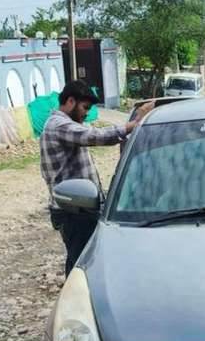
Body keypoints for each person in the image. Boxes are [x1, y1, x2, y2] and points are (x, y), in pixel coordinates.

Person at [40, 79, 153, 276]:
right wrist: (133, 125)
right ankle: (76, 295)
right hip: (74, 211)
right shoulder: (59, 126)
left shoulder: (65, 124)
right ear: (70, 101)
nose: (86, 113)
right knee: (82, 265)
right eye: (85, 107)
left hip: (80, 207)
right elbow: (96, 136)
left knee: (86, 261)